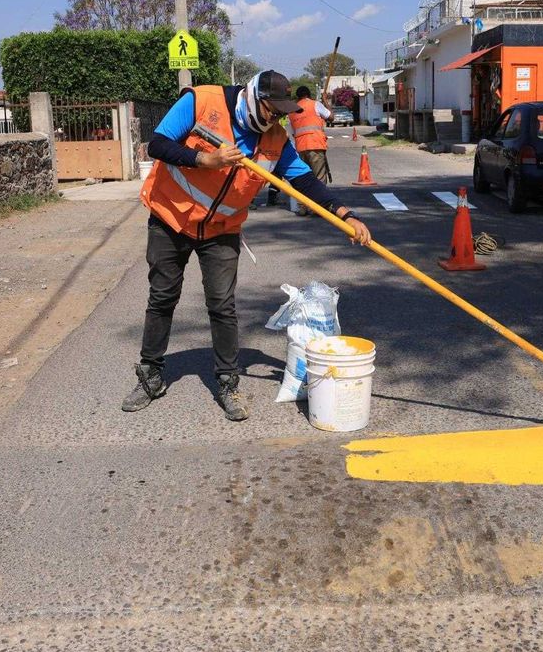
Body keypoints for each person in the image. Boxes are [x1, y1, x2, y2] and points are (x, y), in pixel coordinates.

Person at [122, 70, 372, 421]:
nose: (277, 119)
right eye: (274, 110)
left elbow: (304, 180)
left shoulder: (275, 139)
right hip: (171, 218)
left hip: (221, 229)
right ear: (256, 98)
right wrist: (204, 159)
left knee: (222, 305)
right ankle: (151, 375)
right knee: (162, 297)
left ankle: (228, 382)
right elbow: (158, 144)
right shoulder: (201, 101)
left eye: (283, 113)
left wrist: (346, 214)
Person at [285, 86, 334, 216]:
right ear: (308, 94)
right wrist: (326, 101)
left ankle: (303, 207)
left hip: (301, 147)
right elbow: (331, 117)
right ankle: (318, 208)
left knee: (303, 178)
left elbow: (292, 132)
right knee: (319, 178)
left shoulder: (292, 111)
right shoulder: (315, 104)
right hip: (316, 145)